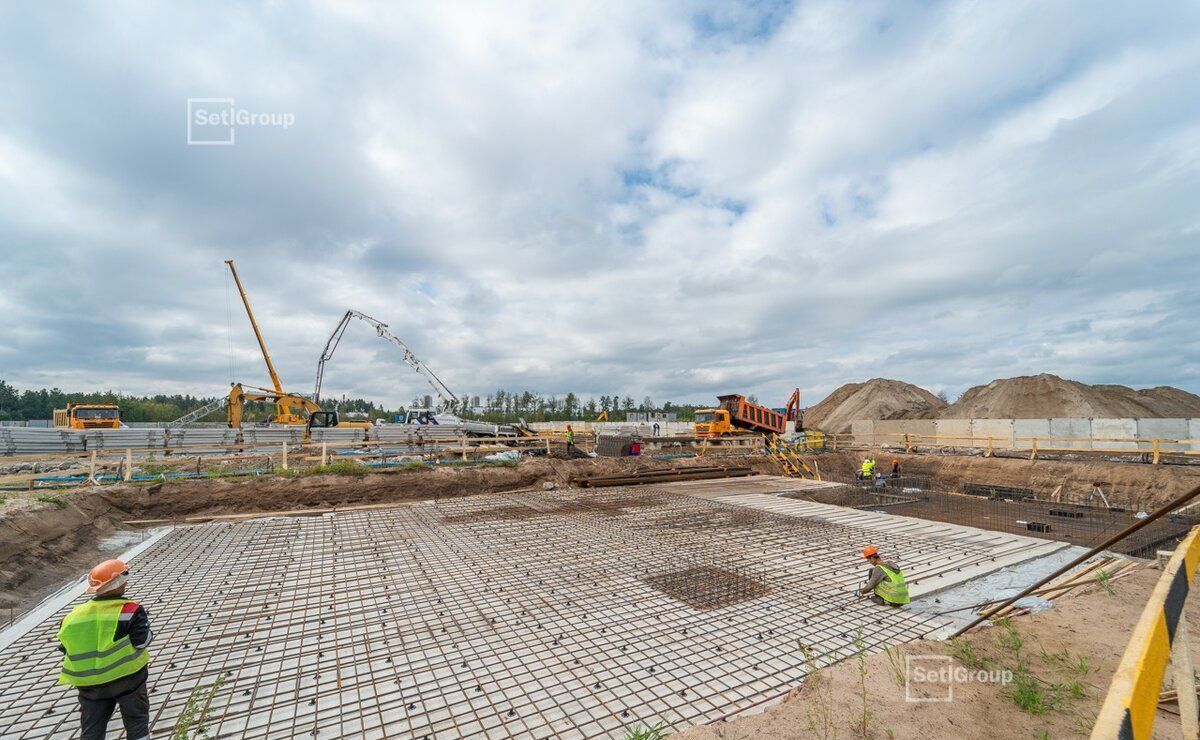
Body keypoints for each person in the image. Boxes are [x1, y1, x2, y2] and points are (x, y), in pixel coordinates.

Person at [58, 559, 153, 740]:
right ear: (118, 583)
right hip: (128, 681)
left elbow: (66, 647)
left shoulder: (72, 617)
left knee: (91, 731)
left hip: (90, 687)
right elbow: (142, 642)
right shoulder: (130, 610)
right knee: (137, 724)